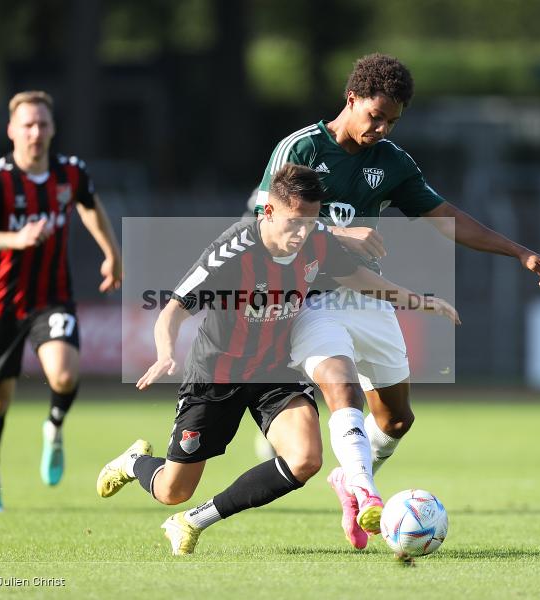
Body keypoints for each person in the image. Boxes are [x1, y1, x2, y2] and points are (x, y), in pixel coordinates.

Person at [255, 53, 540, 548]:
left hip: (365, 295)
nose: (381, 129)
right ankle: (364, 493)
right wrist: (338, 233)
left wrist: (518, 252)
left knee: (396, 420)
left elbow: (446, 216)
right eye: (375, 116)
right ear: (351, 99)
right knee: (342, 388)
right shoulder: (302, 148)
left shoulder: (391, 161)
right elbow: (263, 221)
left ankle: (348, 477)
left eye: (392, 121)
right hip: (308, 296)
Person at [96, 164, 459, 555]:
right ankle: (134, 462)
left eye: (310, 223)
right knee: (173, 490)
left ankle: (193, 521)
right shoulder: (231, 252)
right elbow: (173, 310)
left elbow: (360, 279)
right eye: (294, 223)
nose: (301, 233)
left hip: (275, 371)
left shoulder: (317, 240)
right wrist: (166, 352)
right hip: (217, 374)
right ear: (267, 212)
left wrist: (418, 301)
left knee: (306, 459)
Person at [0, 90, 122, 512]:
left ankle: (54, 426)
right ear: (11, 130)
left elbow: (90, 205)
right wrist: (16, 239)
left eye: (42, 124)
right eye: (27, 125)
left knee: (64, 375)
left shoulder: (70, 172)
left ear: (52, 129)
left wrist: (112, 253)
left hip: (52, 297)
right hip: (1, 304)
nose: (35, 132)